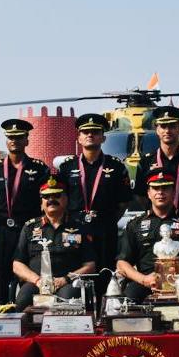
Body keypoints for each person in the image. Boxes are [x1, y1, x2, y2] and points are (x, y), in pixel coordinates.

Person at [58, 113, 132, 294]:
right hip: (73, 231)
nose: (90, 135)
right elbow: (60, 200)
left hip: (104, 230)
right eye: (85, 132)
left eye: (95, 132)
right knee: (74, 276)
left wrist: (107, 220)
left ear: (103, 137)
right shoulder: (66, 167)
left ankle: (103, 317)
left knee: (105, 275)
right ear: (79, 137)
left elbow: (123, 202)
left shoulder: (116, 167)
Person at [117, 171, 179, 304]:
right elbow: (122, 263)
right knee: (124, 304)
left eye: (165, 188)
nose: (160, 192)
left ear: (174, 192)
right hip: (145, 283)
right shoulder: (135, 224)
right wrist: (144, 280)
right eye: (155, 188)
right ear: (148, 193)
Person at [0, 118, 49, 303]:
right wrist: (1, 218)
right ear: (6, 140)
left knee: (30, 274)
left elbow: (46, 199)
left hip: (29, 230)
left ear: (26, 141)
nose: (15, 141)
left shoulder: (39, 168)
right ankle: (4, 309)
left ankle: (30, 311)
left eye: (19, 137)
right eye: (11, 137)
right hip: (4, 230)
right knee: (3, 274)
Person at [11, 175, 96, 311]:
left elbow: (90, 265)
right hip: (37, 282)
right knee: (22, 303)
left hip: (67, 282)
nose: (51, 200)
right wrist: (38, 281)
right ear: (41, 203)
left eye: (56, 195)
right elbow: (17, 264)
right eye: (46, 197)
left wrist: (66, 279)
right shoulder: (29, 227)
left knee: (68, 303)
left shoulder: (80, 227)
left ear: (66, 199)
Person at [133, 105, 179, 214]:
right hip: (156, 223)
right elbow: (139, 195)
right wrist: (153, 213)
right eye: (163, 126)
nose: (167, 131)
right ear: (157, 130)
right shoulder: (146, 161)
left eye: (172, 126)